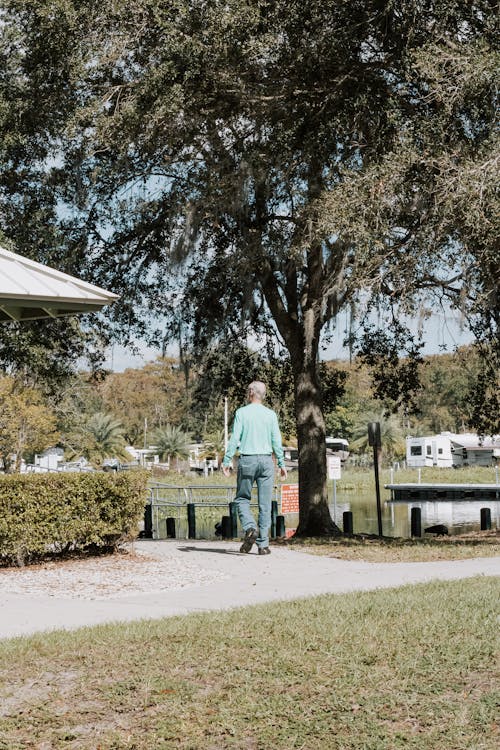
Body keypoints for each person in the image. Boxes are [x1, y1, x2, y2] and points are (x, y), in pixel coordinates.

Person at [222, 381, 287, 555]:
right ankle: (263, 545)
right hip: (267, 462)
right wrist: (281, 463)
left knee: (242, 499)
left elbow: (235, 438)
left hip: (248, 460)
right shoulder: (270, 415)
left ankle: (250, 527)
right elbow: (276, 440)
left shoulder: (242, 413)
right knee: (265, 505)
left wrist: (227, 460)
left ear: (251, 392)